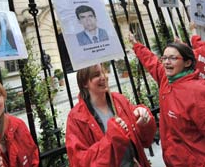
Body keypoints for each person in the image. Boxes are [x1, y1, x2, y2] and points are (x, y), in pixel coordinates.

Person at [128, 33, 205, 166]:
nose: (166, 62)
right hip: (173, 160)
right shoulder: (166, 79)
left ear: (187, 62)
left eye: (173, 58)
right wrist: (136, 44)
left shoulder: (198, 91)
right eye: (164, 58)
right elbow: (151, 62)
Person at [65, 63, 157, 167]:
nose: (103, 77)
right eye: (96, 75)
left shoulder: (119, 100)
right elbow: (79, 162)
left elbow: (145, 140)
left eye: (103, 72)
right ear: (84, 83)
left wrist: (143, 119)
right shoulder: (76, 117)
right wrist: (112, 138)